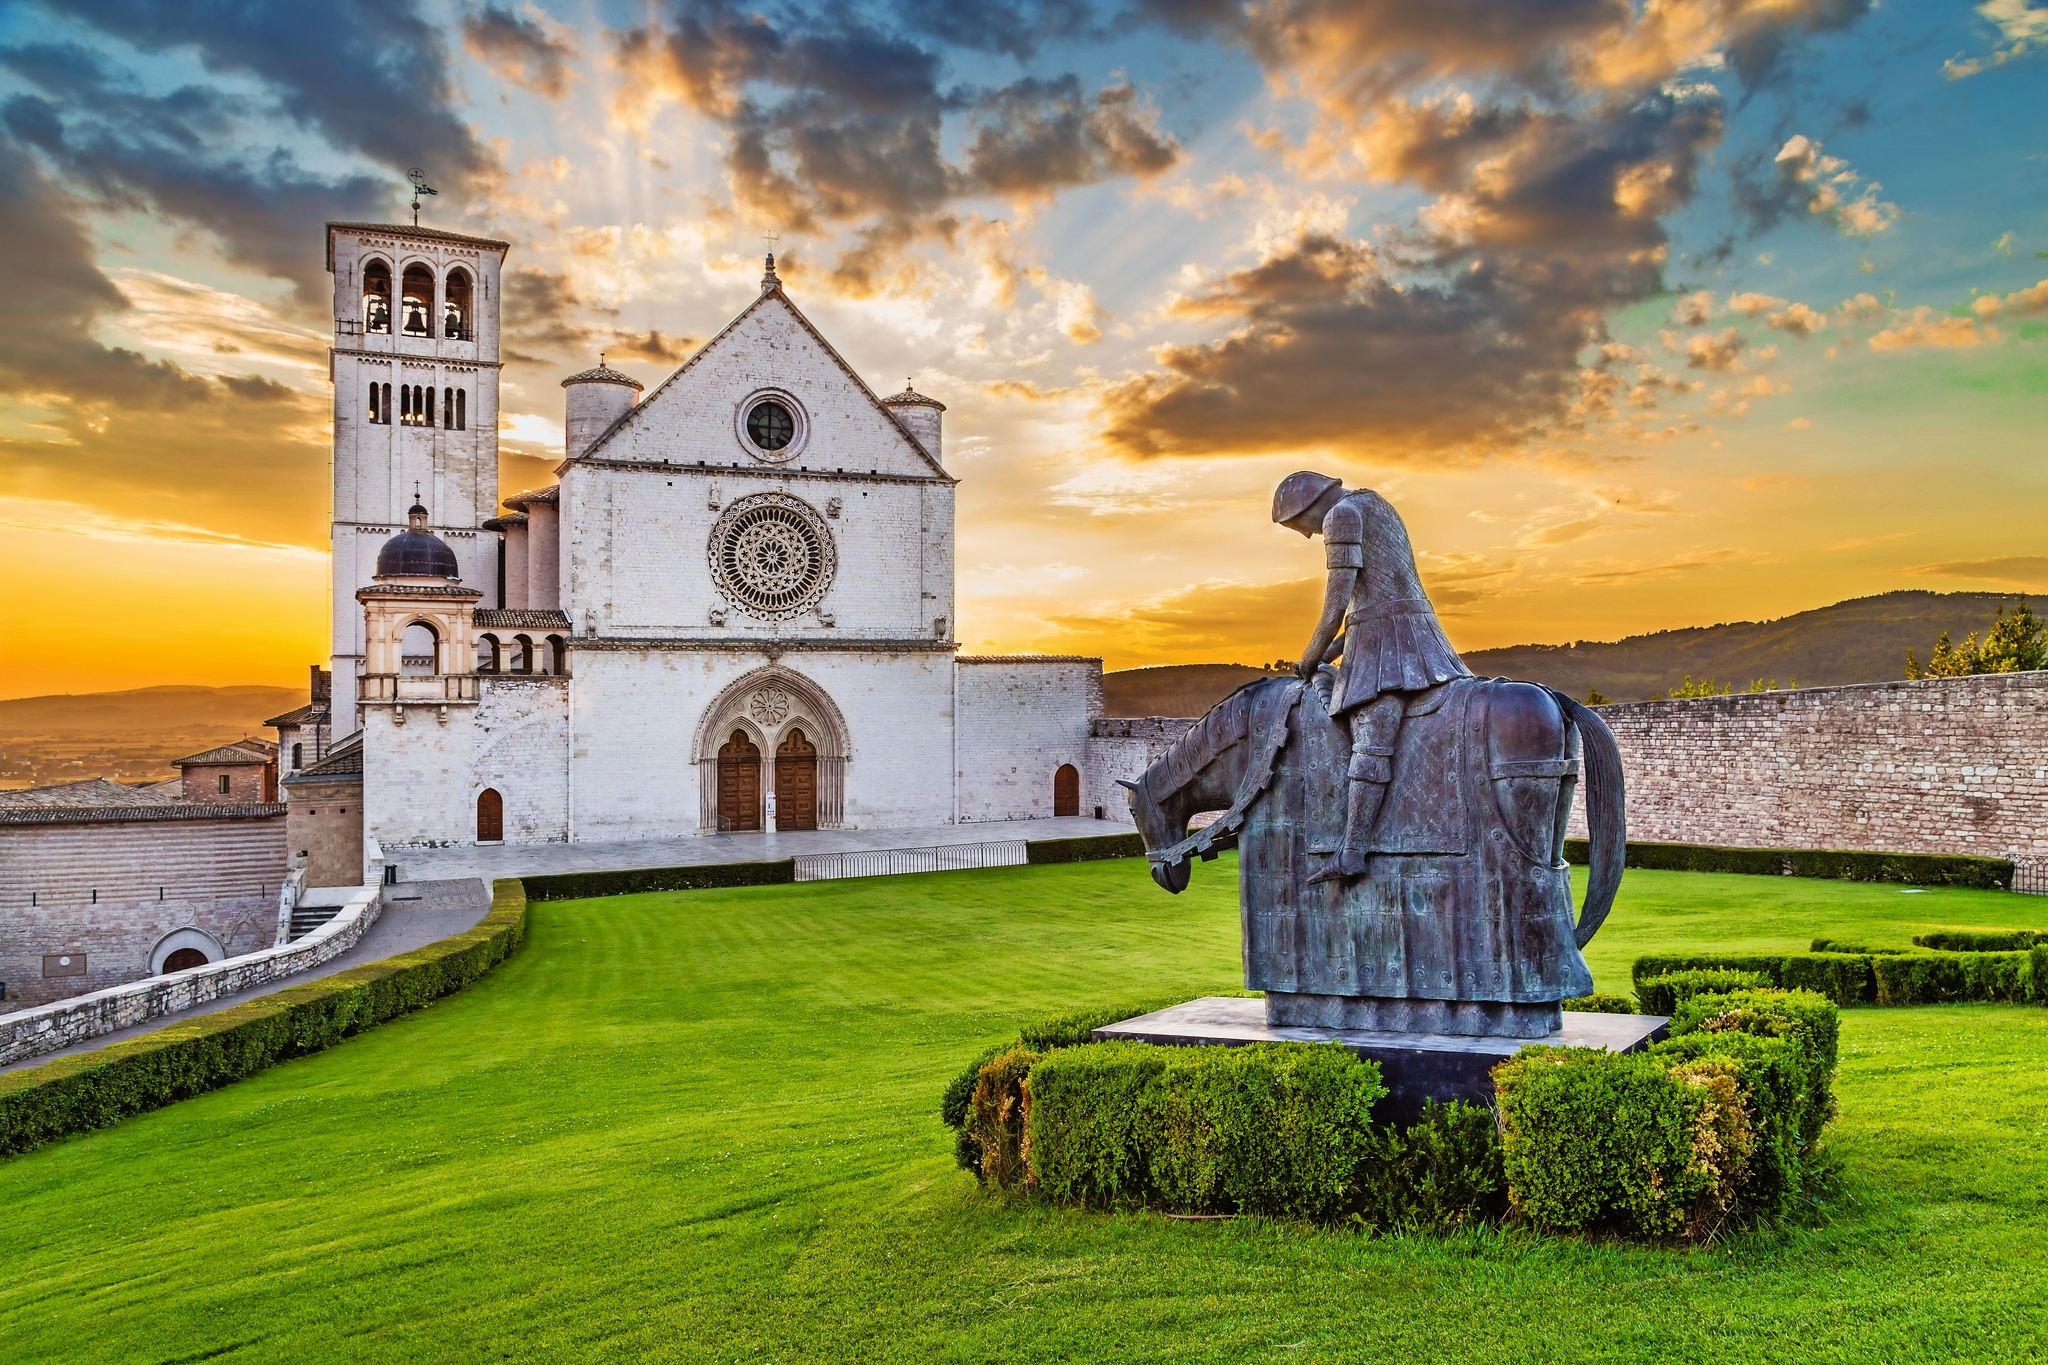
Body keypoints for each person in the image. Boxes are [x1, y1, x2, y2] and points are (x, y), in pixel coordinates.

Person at [1272, 471, 1471, 883]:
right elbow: (1378, 603)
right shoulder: (1376, 503)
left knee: (1371, 742)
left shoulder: (1340, 515)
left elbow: (1337, 603)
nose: (1307, 535)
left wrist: (1309, 657)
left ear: (1308, 507)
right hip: (1408, 632)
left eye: (1298, 527)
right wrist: (1331, 654)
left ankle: (1353, 850)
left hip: (1391, 647)